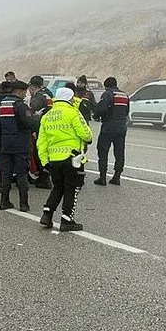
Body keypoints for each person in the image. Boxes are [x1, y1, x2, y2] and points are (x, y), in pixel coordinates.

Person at [37, 87, 93, 231]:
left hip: (53, 159)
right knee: (72, 189)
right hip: (72, 158)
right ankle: (67, 220)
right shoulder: (73, 112)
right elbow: (85, 133)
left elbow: (41, 142)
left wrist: (44, 161)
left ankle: (47, 215)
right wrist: (89, 138)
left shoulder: (47, 116)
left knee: (58, 188)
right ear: (70, 99)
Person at [0, 80, 39, 211]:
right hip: (20, 143)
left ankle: (4, 201)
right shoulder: (20, 105)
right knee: (21, 173)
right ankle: (24, 204)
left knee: (6, 173)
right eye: (24, 92)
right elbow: (28, 123)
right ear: (19, 91)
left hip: (5, 142)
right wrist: (36, 119)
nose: (25, 95)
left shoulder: (2, 104)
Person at [92, 77, 130, 186]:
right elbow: (127, 111)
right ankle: (117, 176)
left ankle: (102, 177)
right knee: (119, 152)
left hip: (108, 126)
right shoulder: (124, 95)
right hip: (122, 127)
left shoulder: (108, 94)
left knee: (103, 151)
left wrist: (96, 115)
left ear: (106, 86)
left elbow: (101, 108)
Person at [27, 76, 54, 190]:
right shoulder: (48, 94)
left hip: (41, 128)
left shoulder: (37, 98)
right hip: (50, 126)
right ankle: (46, 176)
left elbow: (32, 113)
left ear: (33, 88)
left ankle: (44, 177)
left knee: (39, 152)